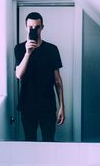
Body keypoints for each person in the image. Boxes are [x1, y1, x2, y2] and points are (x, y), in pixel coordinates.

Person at [14, 12, 65, 142]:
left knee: (49, 140)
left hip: (47, 105)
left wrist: (62, 107)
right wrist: (28, 53)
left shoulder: (52, 49)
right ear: (26, 27)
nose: (34, 29)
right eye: (31, 27)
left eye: (37, 27)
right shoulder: (19, 48)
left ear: (42, 27)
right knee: (29, 141)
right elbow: (19, 75)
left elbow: (57, 81)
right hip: (27, 105)